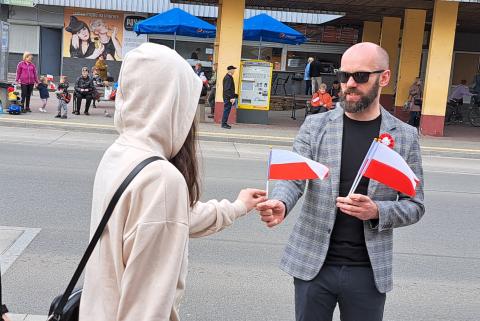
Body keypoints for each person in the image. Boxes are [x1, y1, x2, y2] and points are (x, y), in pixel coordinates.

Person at [79, 42, 266, 321]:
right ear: (173, 103)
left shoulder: (120, 152)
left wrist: (238, 206)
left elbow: (173, 218)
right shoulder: (161, 179)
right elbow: (145, 308)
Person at [257, 42, 425, 321]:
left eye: (360, 76)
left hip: (368, 270)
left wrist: (377, 211)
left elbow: (415, 204)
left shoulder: (404, 136)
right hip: (314, 265)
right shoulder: (317, 125)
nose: (349, 84)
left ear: (383, 78)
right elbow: (296, 177)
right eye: (343, 75)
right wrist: (280, 202)